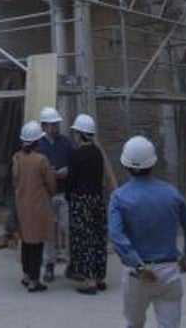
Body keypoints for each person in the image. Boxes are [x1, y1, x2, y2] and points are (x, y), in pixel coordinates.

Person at [108, 136, 186, 328]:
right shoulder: (171, 193)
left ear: (125, 165)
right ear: (154, 163)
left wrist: (137, 264)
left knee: (133, 324)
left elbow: (116, 234)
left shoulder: (119, 197)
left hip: (137, 273)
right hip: (169, 270)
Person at [12, 120, 56, 293]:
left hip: (22, 206)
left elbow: (14, 181)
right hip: (38, 208)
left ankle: (26, 275)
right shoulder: (41, 160)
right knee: (37, 244)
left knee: (26, 243)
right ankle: (34, 280)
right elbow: (51, 184)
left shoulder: (17, 158)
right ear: (37, 141)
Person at [67, 113, 108, 294]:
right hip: (97, 200)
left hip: (81, 201)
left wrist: (68, 196)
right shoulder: (98, 153)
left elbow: (71, 180)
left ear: (80, 133)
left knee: (85, 240)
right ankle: (99, 277)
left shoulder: (77, 155)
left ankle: (89, 280)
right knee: (98, 238)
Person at [34, 105, 73, 283]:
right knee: (49, 231)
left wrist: (67, 171)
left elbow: (74, 163)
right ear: (44, 126)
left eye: (57, 124)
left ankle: (71, 264)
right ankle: (49, 265)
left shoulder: (66, 142)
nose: (55, 127)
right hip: (47, 195)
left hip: (64, 193)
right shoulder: (39, 146)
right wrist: (50, 174)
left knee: (67, 228)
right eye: (52, 125)